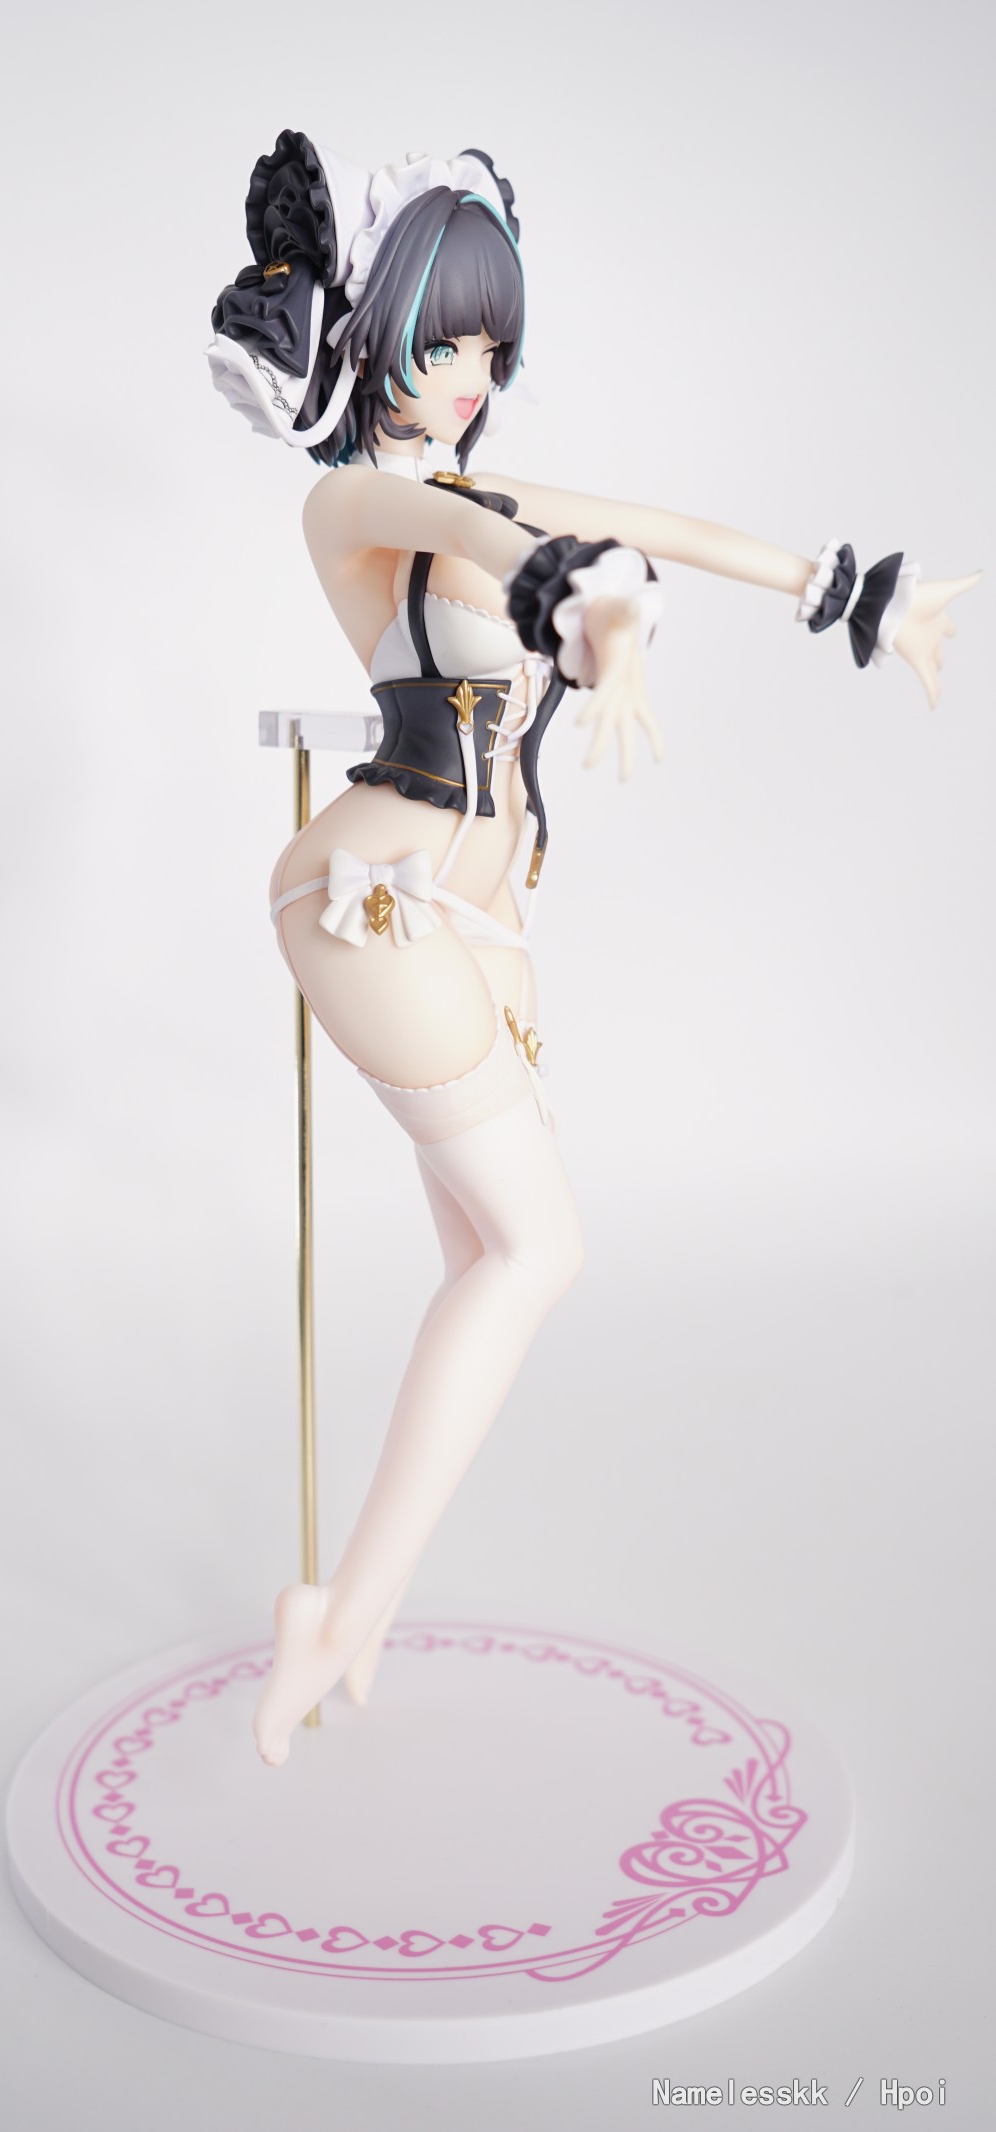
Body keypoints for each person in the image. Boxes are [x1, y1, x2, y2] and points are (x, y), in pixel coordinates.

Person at [209, 134, 978, 1767]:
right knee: (537, 1252)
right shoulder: (357, 498)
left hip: (487, 920)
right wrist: (592, 613)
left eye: (493, 349)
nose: (471, 379)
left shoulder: (477, 491)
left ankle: (349, 1618)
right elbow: (524, 559)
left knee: (491, 1262)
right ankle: (339, 1616)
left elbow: (650, 528)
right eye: (444, 342)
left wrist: (850, 596)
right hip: (378, 894)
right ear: (373, 337)